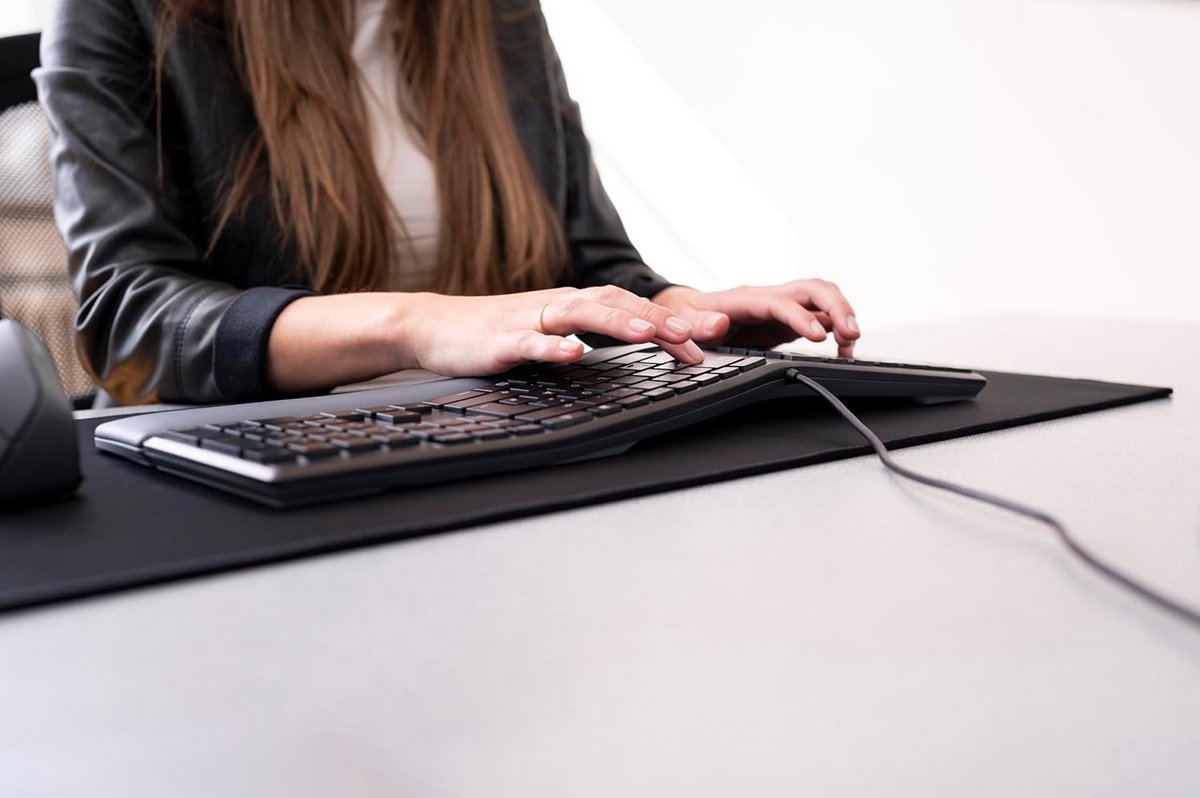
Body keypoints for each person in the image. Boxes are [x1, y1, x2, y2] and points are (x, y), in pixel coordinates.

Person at [36, 0, 860, 406]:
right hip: (248, 468)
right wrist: (420, 324)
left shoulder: (490, 13)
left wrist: (679, 314)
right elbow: (128, 323)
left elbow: (588, 258)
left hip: (480, 433)